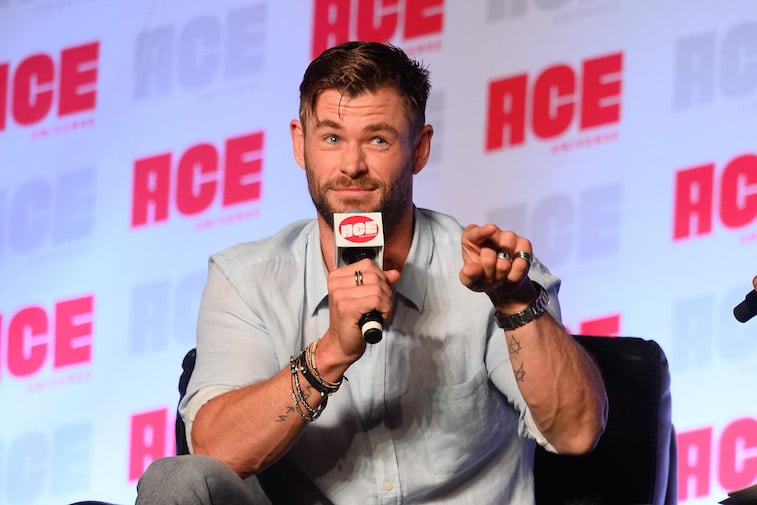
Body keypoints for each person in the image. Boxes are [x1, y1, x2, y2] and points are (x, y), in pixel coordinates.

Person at [136, 40, 607, 504]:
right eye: (332, 138)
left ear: (419, 149)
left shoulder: (492, 271)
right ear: (300, 144)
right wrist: (329, 354)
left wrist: (516, 304)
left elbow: (578, 432)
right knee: (174, 479)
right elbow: (215, 450)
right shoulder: (247, 280)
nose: (352, 165)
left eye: (378, 139)